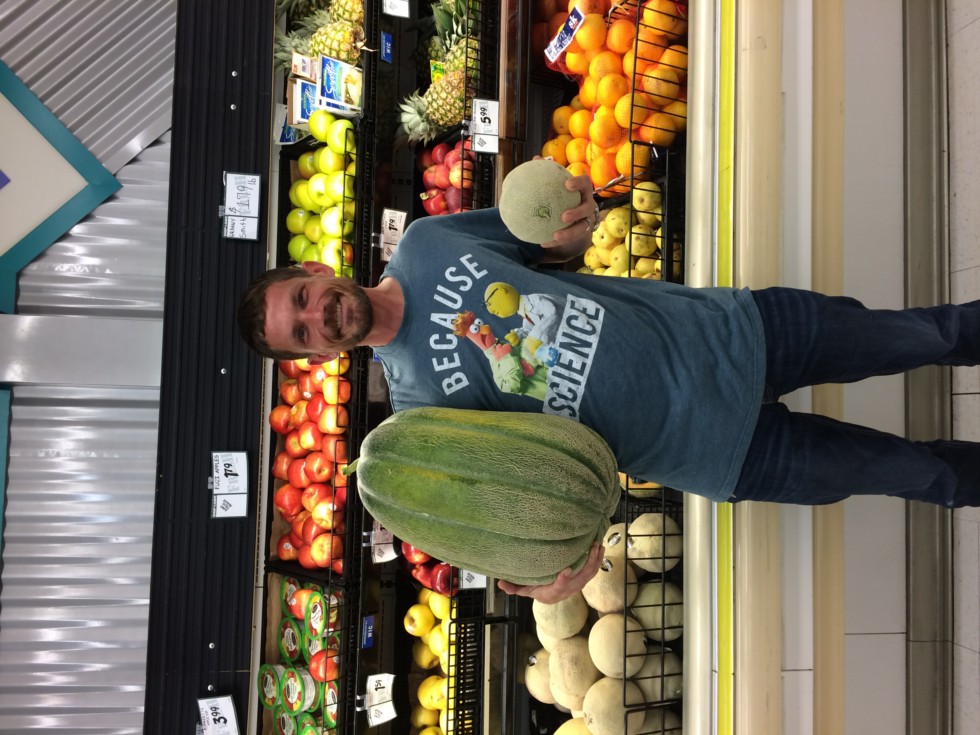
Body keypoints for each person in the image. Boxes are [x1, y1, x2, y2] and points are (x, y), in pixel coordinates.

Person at [239, 172, 980, 603]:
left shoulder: (428, 242)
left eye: (303, 298)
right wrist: (549, 574)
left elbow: (549, 243)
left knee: (931, 333)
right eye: (300, 333)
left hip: (737, 330)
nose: (318, 317)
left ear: (317, 273)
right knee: (922, 475)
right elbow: (510, 506)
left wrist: (575, 219)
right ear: (312, 356)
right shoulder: (415, 421)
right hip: (721, 454)